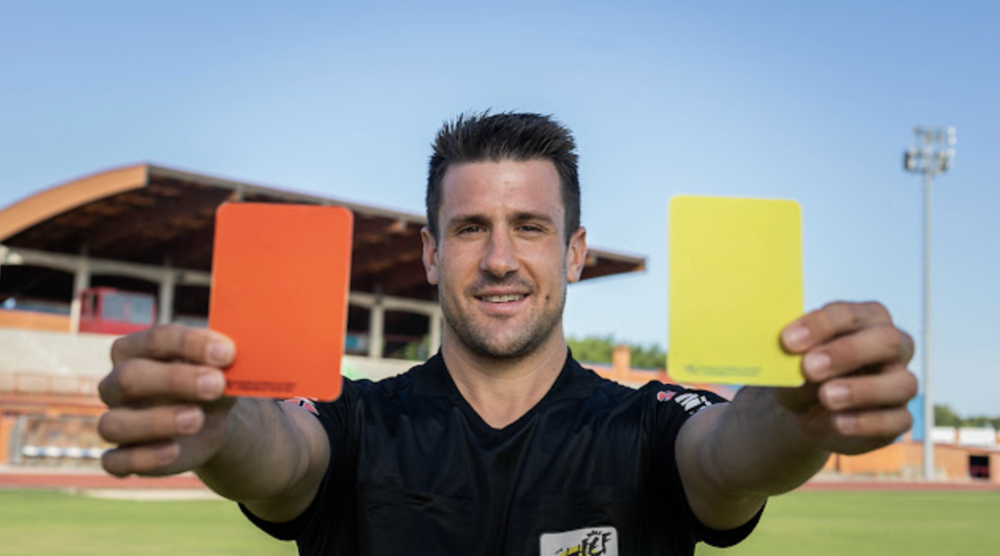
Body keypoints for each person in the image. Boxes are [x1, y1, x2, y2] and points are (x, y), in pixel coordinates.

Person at [97, 112, 917, 555]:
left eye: (529, 226)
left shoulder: (649, 424)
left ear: (575, 254)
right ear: (429, 254)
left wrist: (799, 416)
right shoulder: (356, 421)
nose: (498, 260)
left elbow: (731, 455)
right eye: (469, 229)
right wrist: (218, 422)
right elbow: (280, 456)